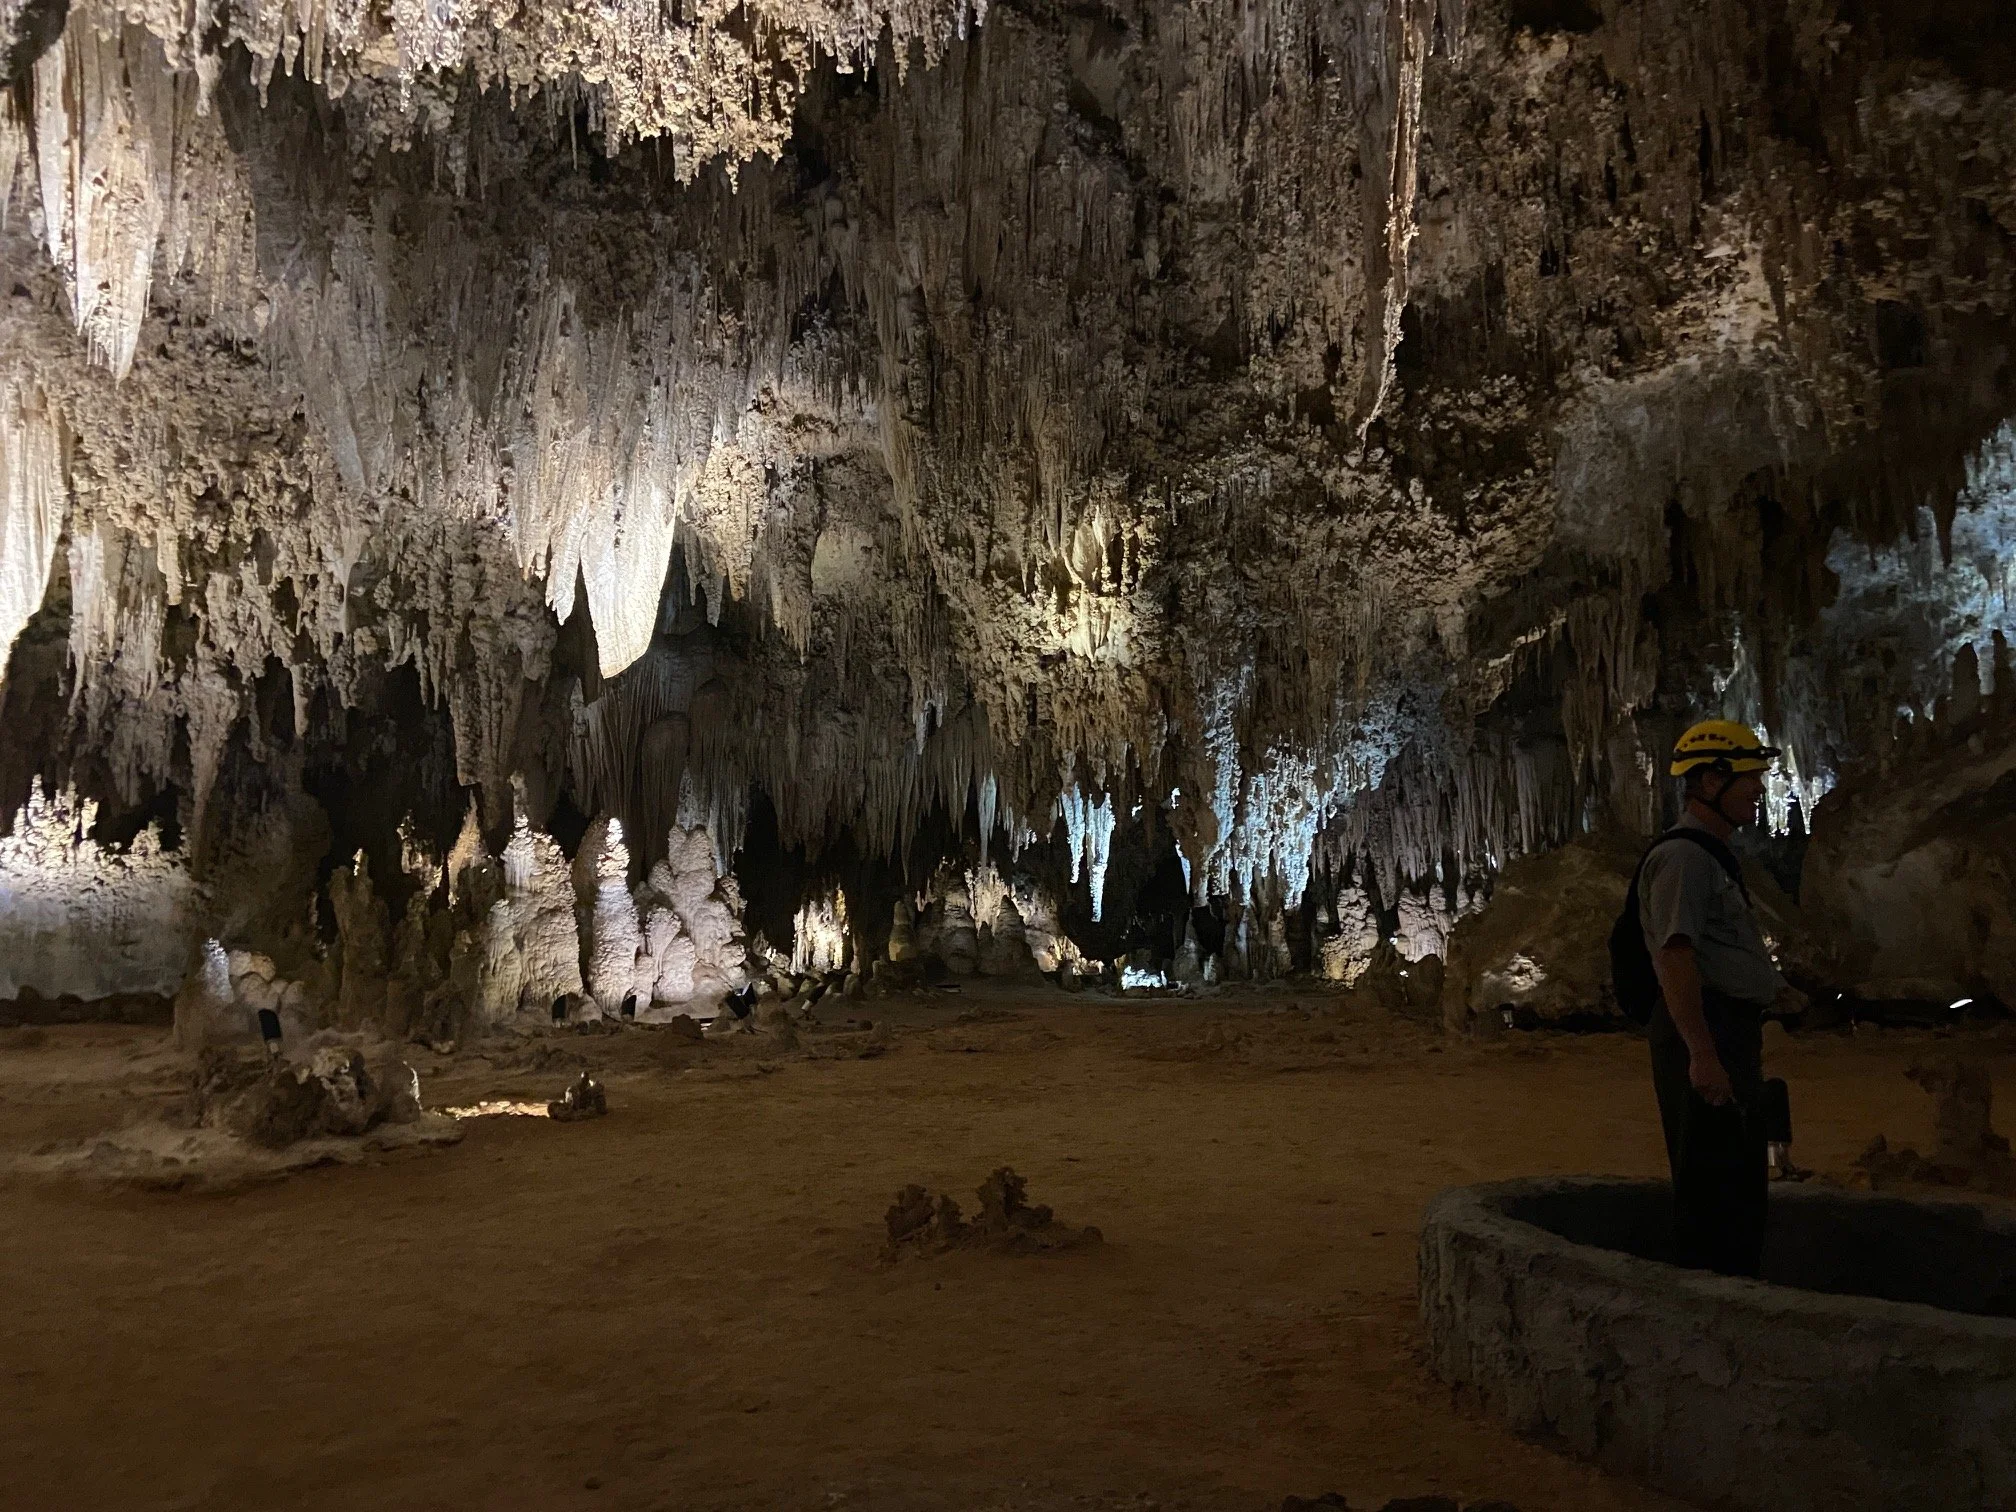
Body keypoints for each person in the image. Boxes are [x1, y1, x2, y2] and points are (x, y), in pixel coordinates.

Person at [1639, 719, 1785, 1277]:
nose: (1758, 790)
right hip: (1705, 1029)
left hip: (1724, 1027)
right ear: (1708, 782)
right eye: (1749, 778)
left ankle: (1733, 1286)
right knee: (1712, 1181)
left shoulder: (1709, 854)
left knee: (1735, 1169)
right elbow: (1675, 955)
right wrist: (1701, 1051)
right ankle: (1709, 1303)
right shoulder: (1684, 859)